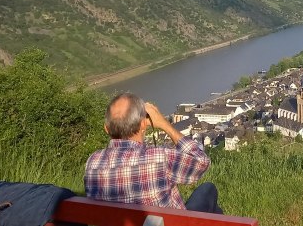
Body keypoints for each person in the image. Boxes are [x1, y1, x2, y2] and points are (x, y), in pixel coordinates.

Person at [85, 92, 222, 214]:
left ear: (106, 129)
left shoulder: (93, 162)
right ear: (143, 124)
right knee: (208, 189)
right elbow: (202, 162)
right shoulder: (160, 158)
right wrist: (164, 124)